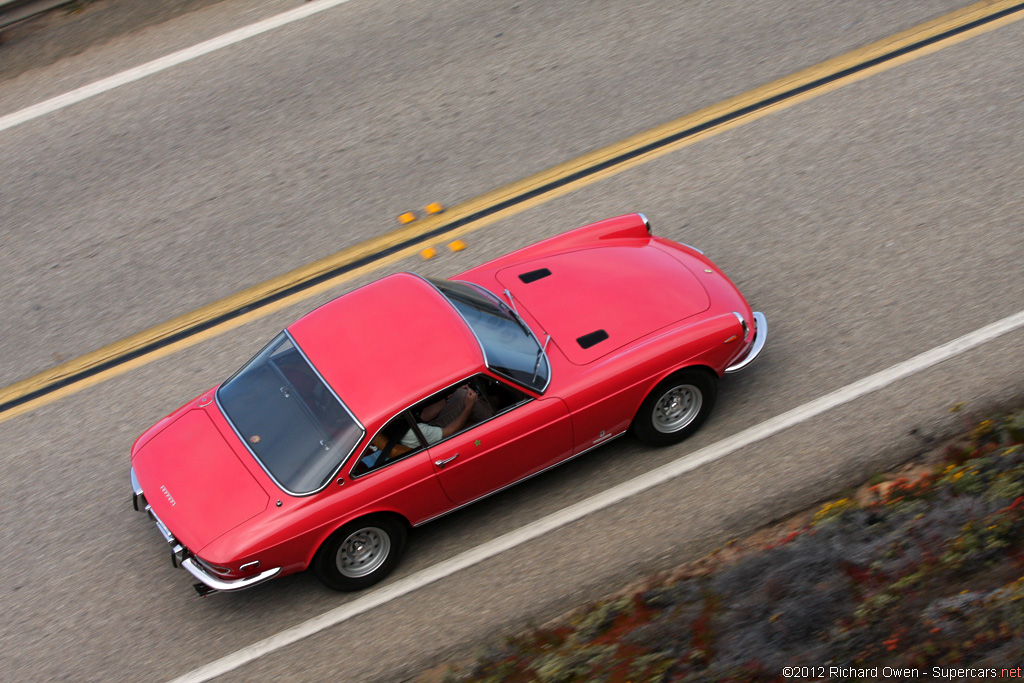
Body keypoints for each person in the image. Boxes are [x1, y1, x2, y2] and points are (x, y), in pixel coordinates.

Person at [401, 384, 492, 448]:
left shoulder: (399, 423)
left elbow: (424, 416)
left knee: (460, 395)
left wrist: (450, 397)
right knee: (464, 396)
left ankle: (493, 401)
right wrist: (469, 407)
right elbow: (448, 432)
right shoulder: (412, 433)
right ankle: (495, 418)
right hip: (437, 440)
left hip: (424, 429)